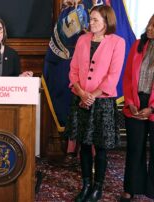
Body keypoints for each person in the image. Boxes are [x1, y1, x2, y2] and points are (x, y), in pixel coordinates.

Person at [64, 5, 125, 202]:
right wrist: (82, 93)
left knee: (100, 147)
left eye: (95, 20)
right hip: (81, 99)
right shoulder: (82, 40)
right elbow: (73, 70)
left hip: (103, 103)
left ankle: (98, 188)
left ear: (107, 21)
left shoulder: (118, 42)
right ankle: (86, 185)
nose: (90, 23)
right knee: (84, 144)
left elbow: (113, 76)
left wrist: (92, 95)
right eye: (90, 19)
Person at [43, 0, 89, 167]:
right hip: (71, 70)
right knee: (73, 107)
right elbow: (65, 33)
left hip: (89, 72)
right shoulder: (69, 10)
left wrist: (77, 13)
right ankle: (71, 149)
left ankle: (86, 152)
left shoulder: (88, 8)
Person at [120, 14, 154, 202]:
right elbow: (127, 77)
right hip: (135, 101)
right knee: (135, 148)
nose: (149, 29)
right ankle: (131, 188)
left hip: (153, 105)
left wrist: (152, 109)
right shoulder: (137, 45)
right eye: (149, 24)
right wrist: (131, 102)